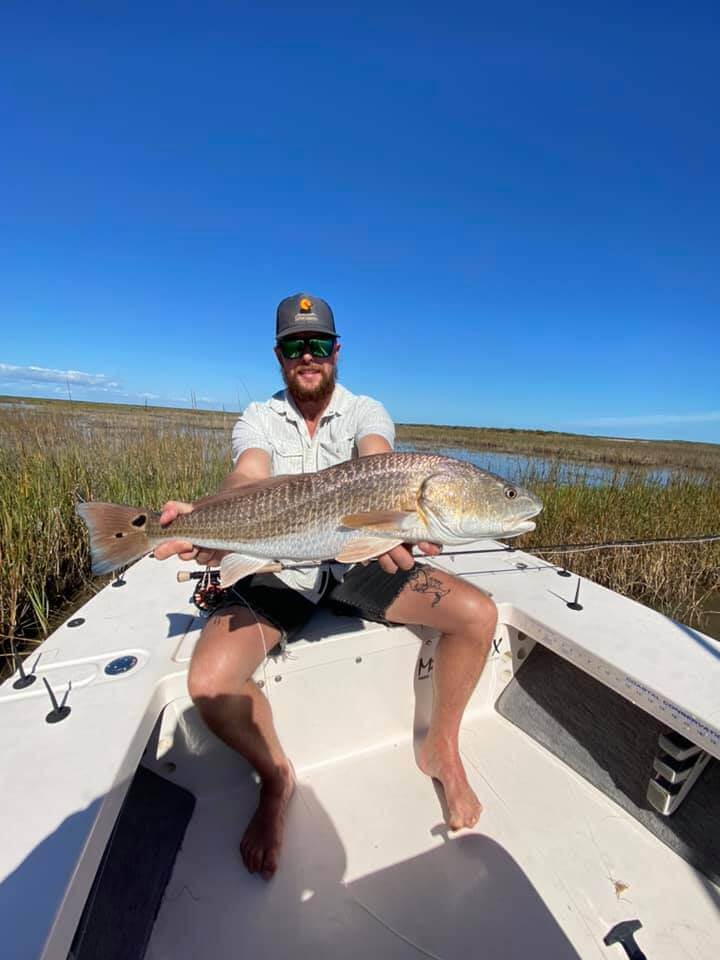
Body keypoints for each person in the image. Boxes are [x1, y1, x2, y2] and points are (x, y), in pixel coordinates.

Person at [154, 293, 498, 880]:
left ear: (336, 350)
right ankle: (276, 777)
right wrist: (203, 518)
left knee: (477, 615)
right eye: (295, 346)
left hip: (359, 563)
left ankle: (441, 747)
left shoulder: (366, 410)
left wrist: (394, 521)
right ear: (279, 355)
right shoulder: (259, 418)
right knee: (209, 680)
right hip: (281, 567)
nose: (307, 356)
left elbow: (378, 457)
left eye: (317, 345)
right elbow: (248, 475)